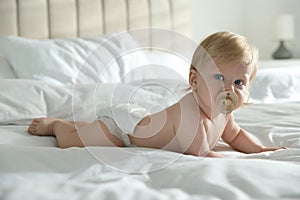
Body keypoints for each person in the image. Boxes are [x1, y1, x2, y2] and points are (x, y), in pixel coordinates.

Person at [27, 31, 285, 157]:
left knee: (95, 128)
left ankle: (82, 124)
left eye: (239, 81)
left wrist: (261, 149)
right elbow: (204, 154)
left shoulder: (222, 114)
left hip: (139, 119)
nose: (229, 88)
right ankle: (58, 126)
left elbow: (236, 135)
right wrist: (241, 164)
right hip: (122, 130)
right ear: (194, 81)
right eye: (218, 77)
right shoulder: (192, 113)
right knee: (81, 139)